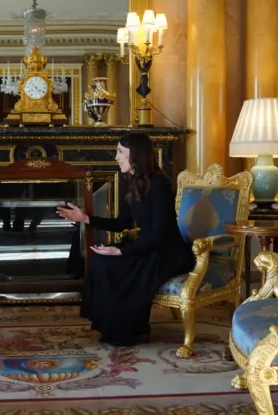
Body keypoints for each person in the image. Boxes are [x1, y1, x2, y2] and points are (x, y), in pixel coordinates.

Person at [56, 133, 195, 347]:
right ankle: (112, 326)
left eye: (120, 152)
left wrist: (121, 251)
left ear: (136, 155)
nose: (116, 157)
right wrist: (85, 218)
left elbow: (160, 235)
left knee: (116, 264)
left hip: (168, 252)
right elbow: (122, 222)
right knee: (100, 260)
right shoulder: (130, 180)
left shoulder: (159, 185)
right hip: (146, 247)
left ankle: (129, 330)